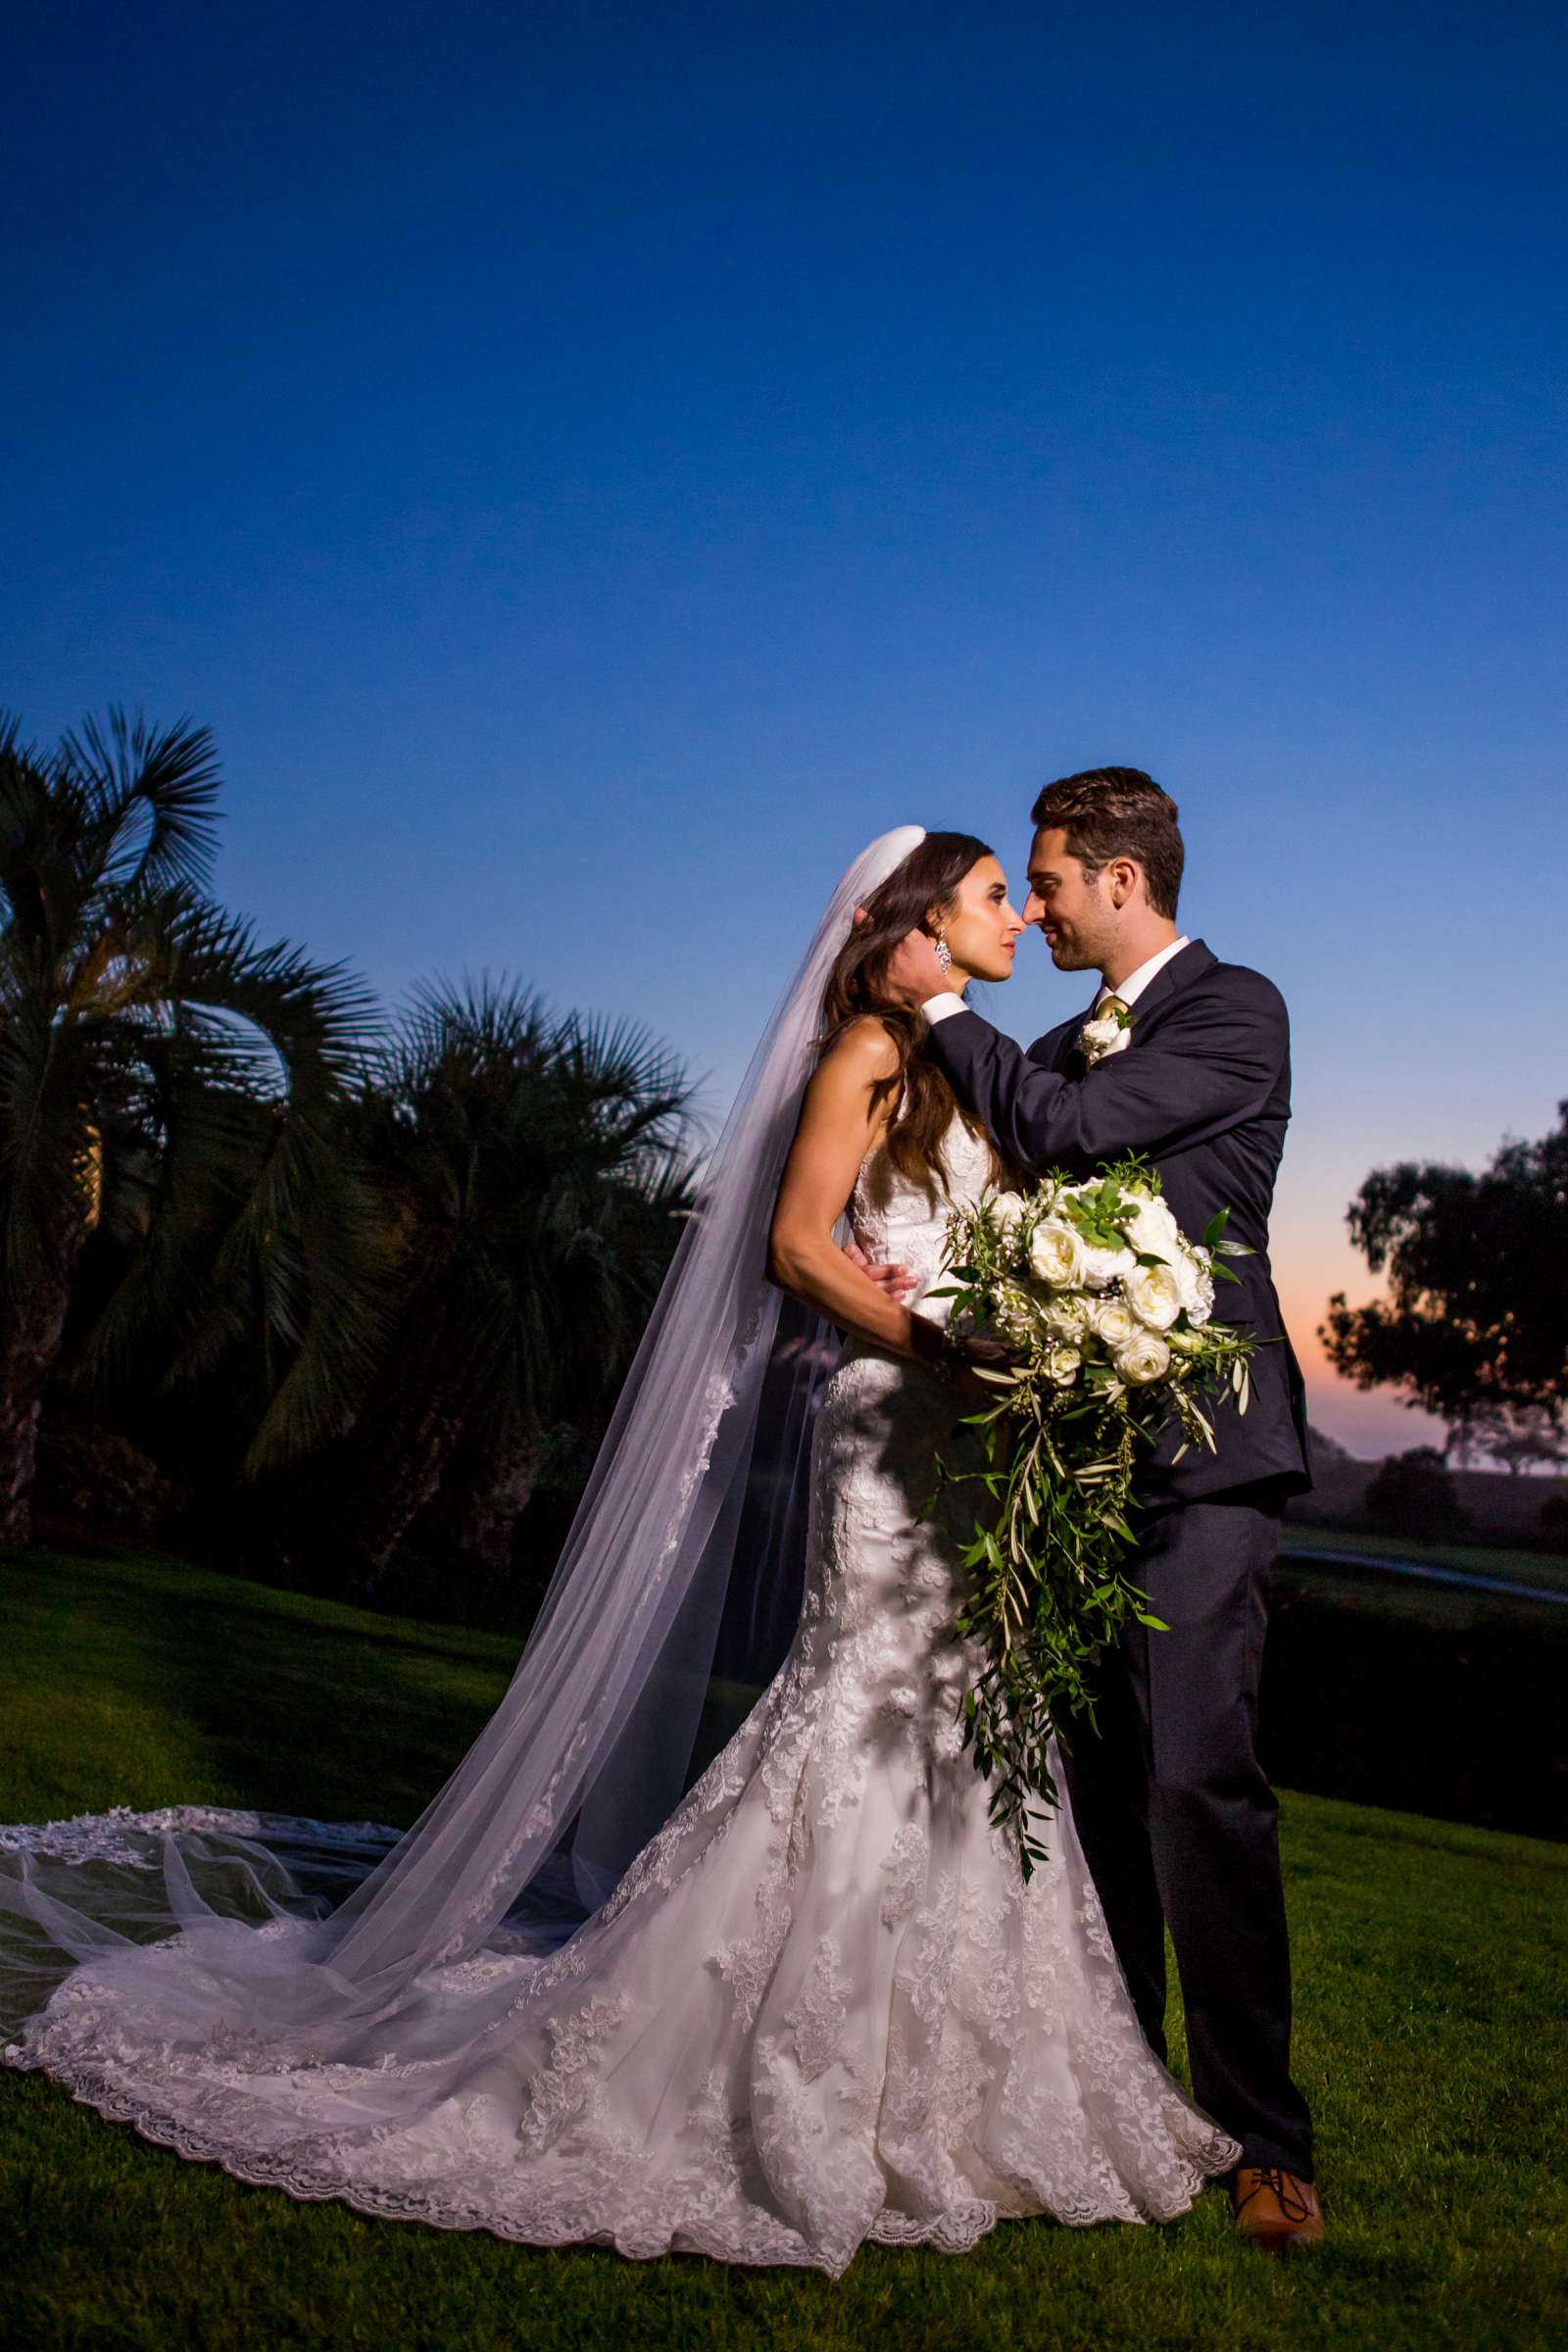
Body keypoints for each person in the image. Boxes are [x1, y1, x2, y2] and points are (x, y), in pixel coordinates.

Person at [0, 826, 1237, 2277]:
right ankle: (744, 2055)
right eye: (986, 899)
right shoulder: (861, 1057)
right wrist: (937, 1340)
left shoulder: (966, 1057)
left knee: (976, 1723)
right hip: (893, 1431)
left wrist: (1028, 1318)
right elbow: (793, 1246)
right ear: (909, 929)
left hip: (967, 1441)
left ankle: (974, 2079)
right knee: (858, 1713)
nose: (1017, 916)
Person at [866, 769, 1321, 2253]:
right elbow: (1004, 1163)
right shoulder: (1055, 1040)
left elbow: (1069, 1134)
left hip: (1211, 1457)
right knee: (1098, 1793)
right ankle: (1124, 2102)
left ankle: (1266, 2140)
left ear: (1122, 880)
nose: (1040, 904)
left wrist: (939, 1010)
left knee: (1200, 1781)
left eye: (1051, 881)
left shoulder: (1237, 1011)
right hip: (1076, 1461)